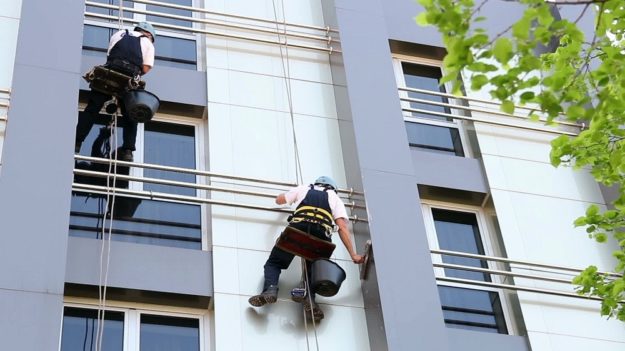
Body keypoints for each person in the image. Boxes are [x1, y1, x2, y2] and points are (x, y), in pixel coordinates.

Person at [249, 176, 365, 321]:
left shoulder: (303, 188)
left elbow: (279, 200)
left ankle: (270, 290)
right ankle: (309, 298)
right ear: (332, 188)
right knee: (315, 270)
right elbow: (342, 227)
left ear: (316, 183)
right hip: (321, 237)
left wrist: (283, 197)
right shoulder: (335, 198)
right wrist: (353, 254)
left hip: (297, 231)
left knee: (274, 263)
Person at [75, 22, 156, 162]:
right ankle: (128, 150)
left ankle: (77, 141)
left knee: (92, 109)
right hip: (129, 79)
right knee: (131, 115)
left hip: (108, 74)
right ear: (148, 34)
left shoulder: (119, 34)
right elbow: (145, 68)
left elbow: (110, 55)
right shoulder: (147, 43)